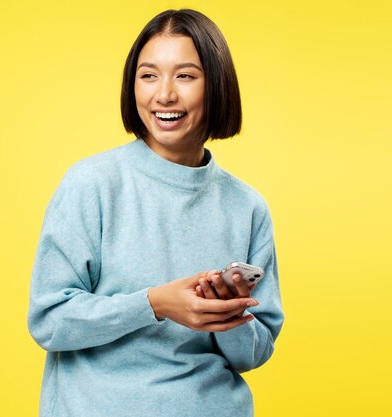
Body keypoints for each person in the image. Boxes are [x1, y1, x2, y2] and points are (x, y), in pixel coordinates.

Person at [27, 8, 284, 417]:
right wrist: (155, 303)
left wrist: (230, 313)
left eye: (185, 75)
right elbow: (50, 321)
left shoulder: (247, 206)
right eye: (148, 75)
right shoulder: (91, 184)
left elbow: (252, 355)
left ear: (215, 85)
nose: (164, 94)